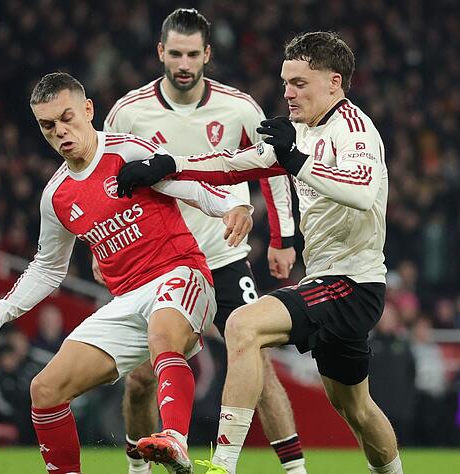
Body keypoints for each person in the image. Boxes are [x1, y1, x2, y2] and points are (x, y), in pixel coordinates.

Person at [117, 31, 404, 474]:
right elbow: (233, 164)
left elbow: (363, 193)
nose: (287, 92)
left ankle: (223, 465)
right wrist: (169, 166)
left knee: (243, 325)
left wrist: (295, 160)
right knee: (356, 408)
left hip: (354, 283)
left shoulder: (354, 129)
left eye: (300, 83)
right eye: (285, 81)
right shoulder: (301, 133)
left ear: (334, 82)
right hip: (327, 280)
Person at [0, 72, 253, 474]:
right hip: (127, 298)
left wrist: (233, 206)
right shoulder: (56, 196)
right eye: (48, 126)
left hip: (181, 273)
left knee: (163, 334)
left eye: (67, 118)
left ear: (89, 110)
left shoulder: (127, 152)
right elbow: (47, 267)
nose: (60, 131)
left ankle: (174, 439)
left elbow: (189, 183)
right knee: (44, 390)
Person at [103, 8, 306, 474]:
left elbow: (272, 167)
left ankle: (296, 472)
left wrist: (282, 238)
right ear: (160, 52)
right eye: (175, 53)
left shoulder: (239, 107)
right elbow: (107, 183)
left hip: (223, 257)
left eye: (193, 54)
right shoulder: (130, 112)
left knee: (257, 362)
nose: (183, 63)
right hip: (154, 263)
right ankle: (140, 470)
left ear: (207, 55)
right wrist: (105, 249)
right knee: (138, 378)